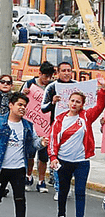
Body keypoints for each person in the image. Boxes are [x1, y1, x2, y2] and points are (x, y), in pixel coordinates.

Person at [49, 82, 105, 217]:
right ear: (68, 102)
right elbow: (53, 139)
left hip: (81, 162)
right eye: (72, 100)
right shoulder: (59, 120)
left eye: (78, 102)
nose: (74, 104)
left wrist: (102, 90)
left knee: (80, 191)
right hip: (63, 161)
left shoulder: (86, 117)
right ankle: (61, 216)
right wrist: (53, 157)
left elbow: (100, 106)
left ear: (82, 105)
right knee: (63, 190)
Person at [41, 61, 77, 201]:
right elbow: (43, 108)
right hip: (57, 128)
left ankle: (68, 185)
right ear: (58, 72)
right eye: (64, 70)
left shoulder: (77, 86)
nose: (66, 73)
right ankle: (58, 187)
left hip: (74, 129)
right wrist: (53, 103)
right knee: (56, 158)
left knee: (71, 159)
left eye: (69, 70)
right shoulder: (51, 87)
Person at [21, 61, 55, 193]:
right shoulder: (30, 84)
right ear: (39, 74)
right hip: (31, 126)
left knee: (43, 156)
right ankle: (28, 176)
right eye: (45, 76)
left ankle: (41, 181)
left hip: (46, 127)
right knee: (30, 153)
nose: (47, 79)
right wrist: (24, 93)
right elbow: (19, 101)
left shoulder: (52, 87)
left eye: (50, 77)